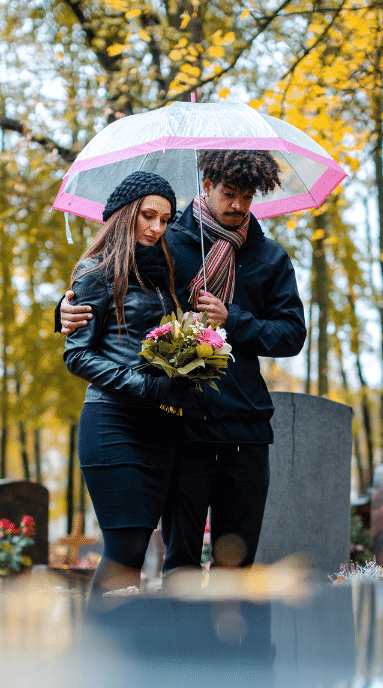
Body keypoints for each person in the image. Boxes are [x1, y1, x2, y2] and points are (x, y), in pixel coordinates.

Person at [60, 150, 306, 582]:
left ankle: (239, 649)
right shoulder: (166, 241)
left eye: (247, 197)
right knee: (180, 563)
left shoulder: (270, 259)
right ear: (206, 186)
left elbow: (291, 335)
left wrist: (233, 319)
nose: (237, 205)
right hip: (182, 425)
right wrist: (60, 310)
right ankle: (182, 648)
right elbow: (112, 286)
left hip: (245, 424)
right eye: (229, 193)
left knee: (237, 563)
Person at [62, 171, 191, 597]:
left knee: (135, 553)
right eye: (148, 216)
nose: (157, 228)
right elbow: (77, 354)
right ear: (124, 214)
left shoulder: (164, 278)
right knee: (124, 548)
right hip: (112, 421)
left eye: (166, 219)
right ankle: (102, 655)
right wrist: (142, 384)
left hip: (161, 427)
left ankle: (124, 651)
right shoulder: (95, 271)